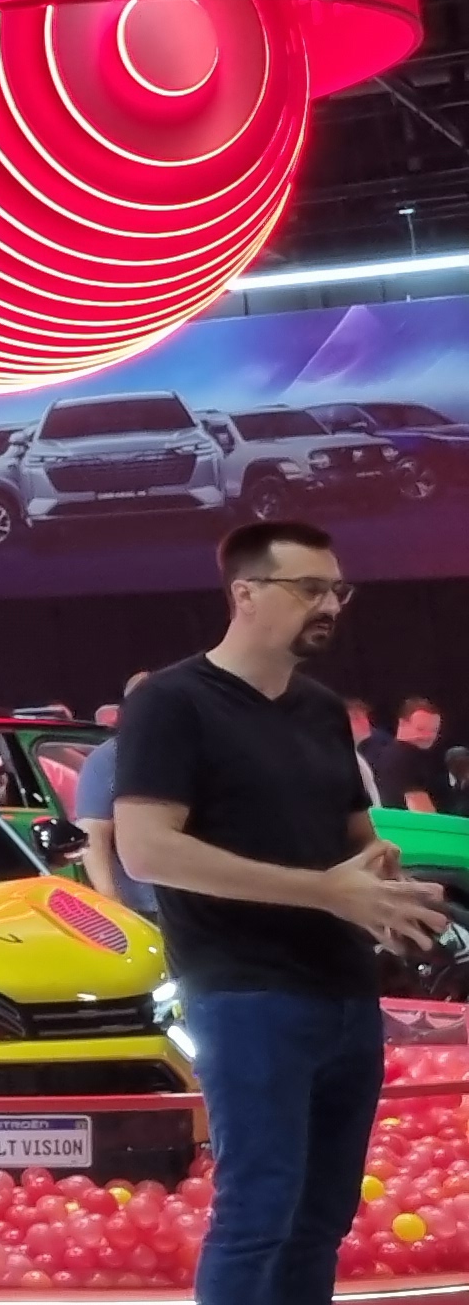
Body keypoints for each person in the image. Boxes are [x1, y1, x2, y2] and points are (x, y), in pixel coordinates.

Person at [113, 522, 447, 1305]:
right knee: (258, 1214)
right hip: (245, 990)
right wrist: (327, 890)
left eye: (337, 590)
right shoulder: (172, 702)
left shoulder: (322, 709)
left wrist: (387, 883)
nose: (329, 605)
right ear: (246, 594)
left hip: (344, 988)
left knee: (321, 1218)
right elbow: (147, 851)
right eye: (309, 589)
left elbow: (353, 836)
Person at [76, 672, 157, 918]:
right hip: (142, 905)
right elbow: (93, 834)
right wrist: (112, 905)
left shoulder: (194, 752)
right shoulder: (109, 759)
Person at [373, 698, 452, 816]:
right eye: (421, 729)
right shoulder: (404, 757)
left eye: (434, 730)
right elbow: (421, 813)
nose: (427, 736)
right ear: (402, 723)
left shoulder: (389, 754)